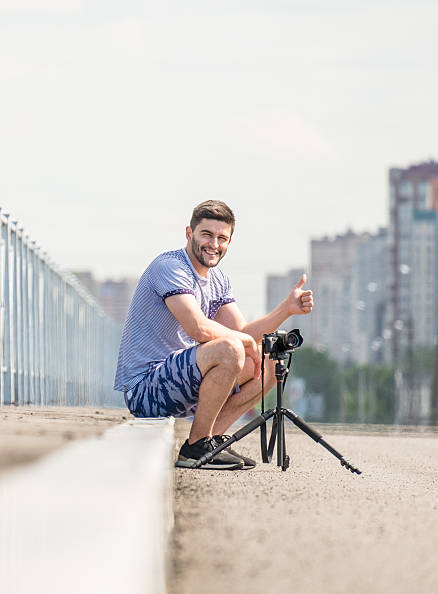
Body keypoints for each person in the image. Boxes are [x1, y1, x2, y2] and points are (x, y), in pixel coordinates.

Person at [114, 200, 313, 470]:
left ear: (230, 242)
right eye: (206, 235)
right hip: (146, 388)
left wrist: (286, 309)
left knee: (267, 364)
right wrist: (242, 342)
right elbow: (198, 328)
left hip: (182, 379)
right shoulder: (170, 268)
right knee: (230, 349)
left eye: (222, 238)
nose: (214, 244)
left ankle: (211, 442)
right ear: (189, 233)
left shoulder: (218, 280)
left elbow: (243, 332)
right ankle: (195, 449)